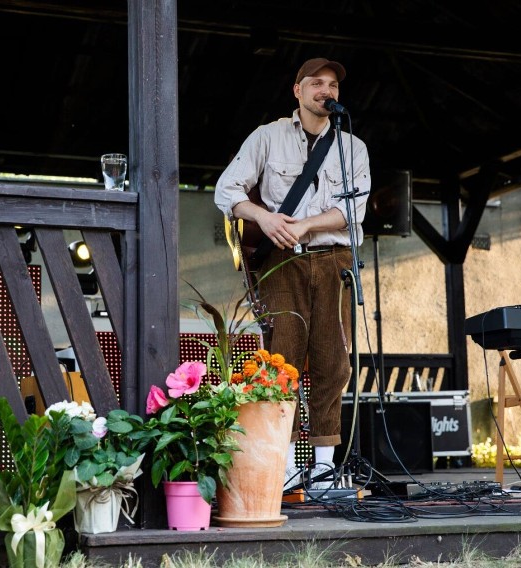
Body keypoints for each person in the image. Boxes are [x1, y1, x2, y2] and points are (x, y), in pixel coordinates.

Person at [214, 57, 371, 487]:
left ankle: (322, 468)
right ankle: (280, 467)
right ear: (297, 91)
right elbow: (226, 190)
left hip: (334, 259)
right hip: (281, 261)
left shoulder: (353, 147)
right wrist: (263, 218)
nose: (327, 91)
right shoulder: (267, 136)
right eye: (317, 83)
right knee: (280, 359)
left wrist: (307, 224)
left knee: (333, 362)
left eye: (334, 85)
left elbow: (354, 209)